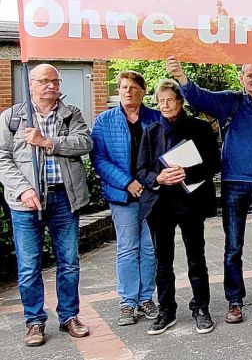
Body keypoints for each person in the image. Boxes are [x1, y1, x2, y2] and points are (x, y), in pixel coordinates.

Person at [165, 57, 252, 323]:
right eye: (250, 76)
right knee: (233, 246)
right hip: (235, 183)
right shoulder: (230, 101)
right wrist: (182, 77)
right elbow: (199, 98)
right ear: (242, 78)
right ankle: (235, 301)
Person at [0, 64, 93, 347]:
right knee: (29, 266)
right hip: (26, 202)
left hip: (65, 197)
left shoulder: (70, 113)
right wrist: (24, 189)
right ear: (31, 84)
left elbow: (85, 142)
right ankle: (35, 322)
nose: (50, 86)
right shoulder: (12, 117)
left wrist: (47, 141)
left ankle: (69, 317)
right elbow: (2, 159)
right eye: (44, 81)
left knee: (69, 262)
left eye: (55, 81)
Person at [136, 79, 220, 335]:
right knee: (163, 261)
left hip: (190, 201)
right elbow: (141, 170)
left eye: (170, 100)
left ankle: (201, 308)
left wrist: (188, 172)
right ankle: (166, 311)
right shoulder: (150, 131)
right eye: (160, 101)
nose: (165, 105)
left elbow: (214, 164)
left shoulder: (200, 128)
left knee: (196, 257)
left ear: (181, 102)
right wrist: (157, 179)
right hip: (160, 204)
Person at [91, 71, 161, 326]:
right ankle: (127, 302)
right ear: (118, 91)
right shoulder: (104, 121)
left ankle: (146, 298)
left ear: (143, 91)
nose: (128, 92)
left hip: (151, 194)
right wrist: (127, 182)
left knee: (150, 248)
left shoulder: (155, 117)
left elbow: (164, 153)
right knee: (128, 248)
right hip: (122, 195)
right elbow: (98, 159)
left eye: (133, 87)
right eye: (123, 87)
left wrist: (148, 182)